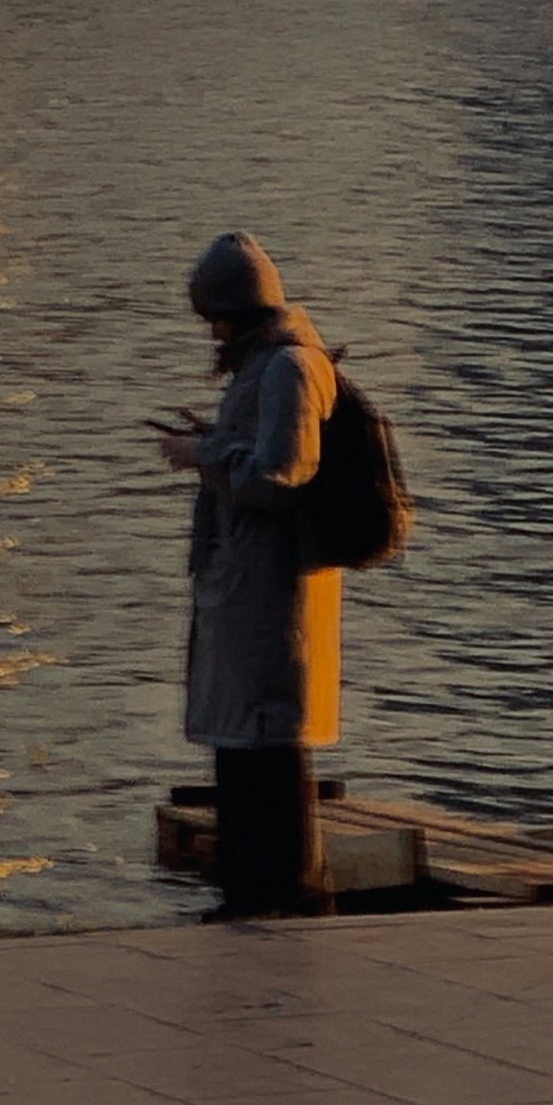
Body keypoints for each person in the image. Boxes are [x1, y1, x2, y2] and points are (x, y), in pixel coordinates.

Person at [154, 229, 340, 919]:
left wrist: (201, 455)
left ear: (238, 312)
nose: (213, 335)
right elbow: (261, 455)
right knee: (241, 743)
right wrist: (216, 439)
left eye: (216, 320)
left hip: (270, 590)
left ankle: (289, 896)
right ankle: (246, 894)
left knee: (269, 745)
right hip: (246, 586)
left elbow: (279, 476)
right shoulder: (268, 364)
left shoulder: (289, 367)